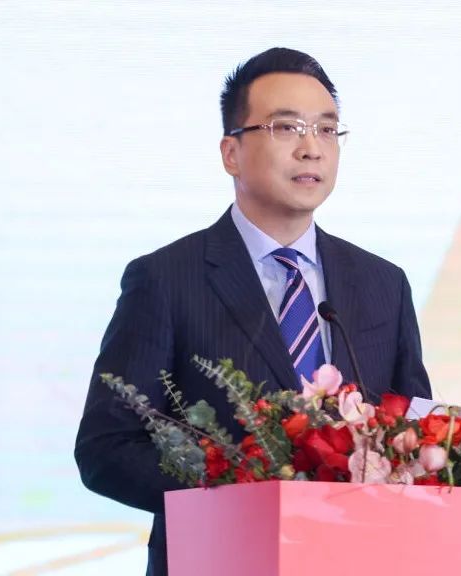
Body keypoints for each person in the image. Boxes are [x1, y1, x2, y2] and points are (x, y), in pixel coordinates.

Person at [75, 47, 431, 576]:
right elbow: (106, 448)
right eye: (286, 128)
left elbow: (415, 432)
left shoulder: (383, 283)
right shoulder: (166, 279)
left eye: (327, 130)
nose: (311, 148)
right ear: (231, 153)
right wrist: (236, 492)